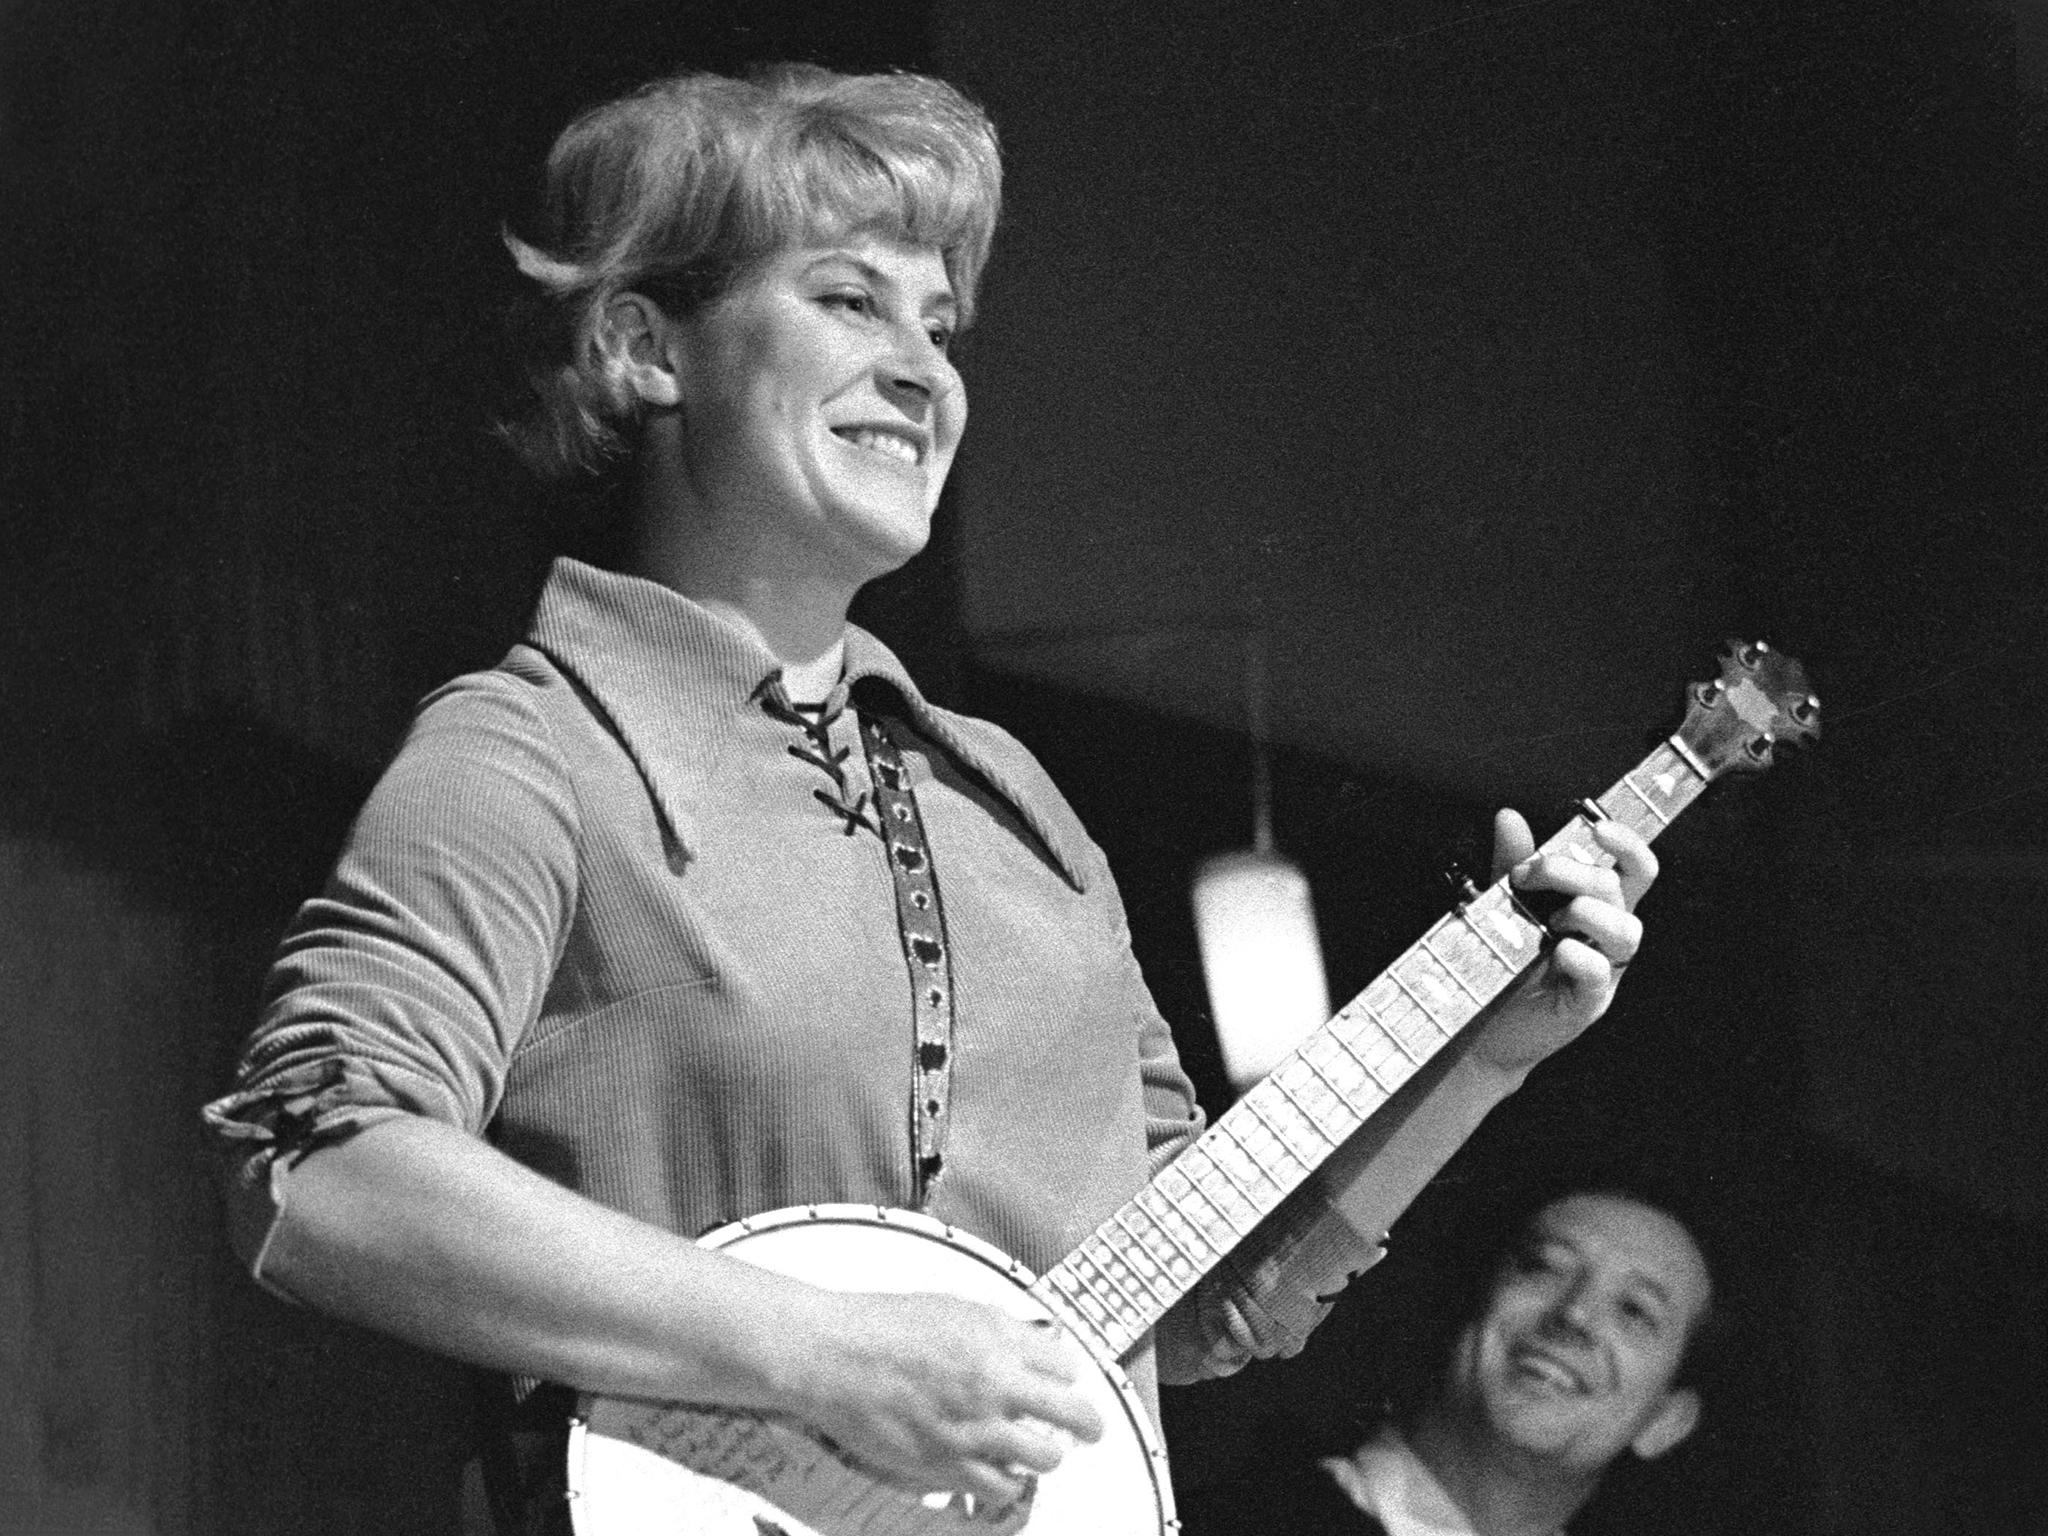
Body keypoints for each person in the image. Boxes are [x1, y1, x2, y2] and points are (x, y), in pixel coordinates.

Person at [200, 63, 1657, 1533]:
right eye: (849, 300)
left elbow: (1208, 1287)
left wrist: (1482, 1057)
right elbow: (320, 1177)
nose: (924, 368)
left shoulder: (1014, 808)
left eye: (941, 324)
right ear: (649, 348)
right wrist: (821, 1353)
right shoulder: (536, 750)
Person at [1188, 1187, 1715, 1535]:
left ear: (1666, 1422)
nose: (1575, 1315)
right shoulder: (1236, 1520)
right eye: (1545, 1268)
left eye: (1636, 1311)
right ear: (1467, 1302)